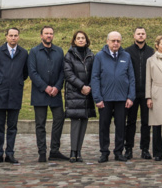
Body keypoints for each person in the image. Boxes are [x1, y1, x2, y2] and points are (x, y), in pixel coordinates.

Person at [91, 31, 136, 162]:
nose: (116, 43)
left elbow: (131, 78)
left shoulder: (126, 56)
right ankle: (104, 152)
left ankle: (118, 152)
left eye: (118, 41)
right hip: (105, 99)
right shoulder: (99, 56)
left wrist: (130, 97)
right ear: (107, 41)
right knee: (104, 126)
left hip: (122, 98)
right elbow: (95, 77)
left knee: (121, 126)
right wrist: (97, 98)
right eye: (113, 41)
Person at [0, 27, 28, 164]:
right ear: (6, 36)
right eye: (11, 35)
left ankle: (10, 153)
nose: (13, 38)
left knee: (12, 127)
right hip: (0, 93)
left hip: (15, 93)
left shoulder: (23, 53)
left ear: (19, 37)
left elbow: (25, 73)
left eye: (16, 35)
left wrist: (15, 81)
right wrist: (0, 82)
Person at [28, 25, 67, 163]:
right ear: (41, 35)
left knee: (59, 119)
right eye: (46, 33)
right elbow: (32, 72)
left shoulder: (59, 51)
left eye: (51, 33)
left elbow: (63, 71)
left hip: (55, 93)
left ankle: (55, 150)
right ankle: (42, 152)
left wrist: (56, 87)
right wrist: (45, 87)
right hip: (40, 93)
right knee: (40, 124)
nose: (49, 35)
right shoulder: (34, 51)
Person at [63, 30, 95, 163]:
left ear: (86, 41)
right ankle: (72, 152)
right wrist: (81, 86)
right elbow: (68, 74)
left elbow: (96, 73)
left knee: (84, 123)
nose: (81, 40)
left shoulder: (92, 55)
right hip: (75, 93)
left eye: (83, 38)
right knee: (75, 123)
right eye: (78, 38)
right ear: (74, 41)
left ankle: (79, 152)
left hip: (88, 94)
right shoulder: (69, 55)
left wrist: (89, 87)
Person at [124, 26, 153, 160]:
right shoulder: (127, 52)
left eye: (143, 33)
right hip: (132, 93)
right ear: (134, 36)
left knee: (146, 123)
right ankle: (128, 148)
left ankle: (145, 149)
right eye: (138, 34)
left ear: (145, 36)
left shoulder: (151, 52)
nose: (141, 36)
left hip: (147, 93)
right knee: (130, 122)